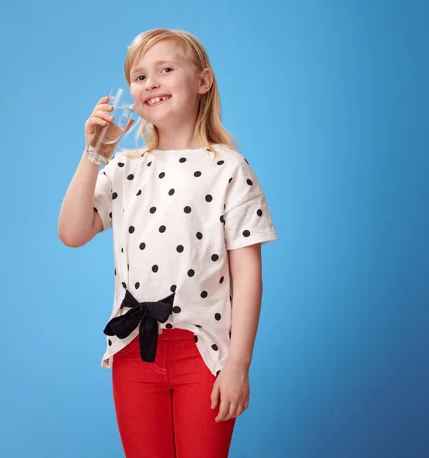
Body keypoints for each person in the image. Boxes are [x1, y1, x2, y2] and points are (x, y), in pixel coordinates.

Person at [58, 28, 279, 458]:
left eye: (165, 69)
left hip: (205, 353)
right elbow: (71, 233)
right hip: (133, 351)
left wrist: (238, 364)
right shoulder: (123, 167)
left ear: (202, 81)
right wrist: (93, 156)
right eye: (139, 77)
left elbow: (248, 276)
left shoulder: (228, 168)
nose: (150, 83)